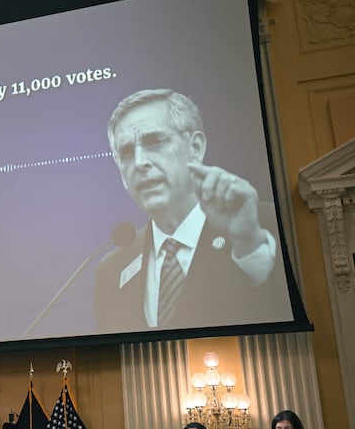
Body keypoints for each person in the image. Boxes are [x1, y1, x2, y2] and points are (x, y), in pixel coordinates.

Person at [94, 89, 289, 330]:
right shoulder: (111, 270)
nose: (140, 161)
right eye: (126, 152)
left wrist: (249, 246)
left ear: (195, 147)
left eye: (154, 142)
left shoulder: (266, 226)